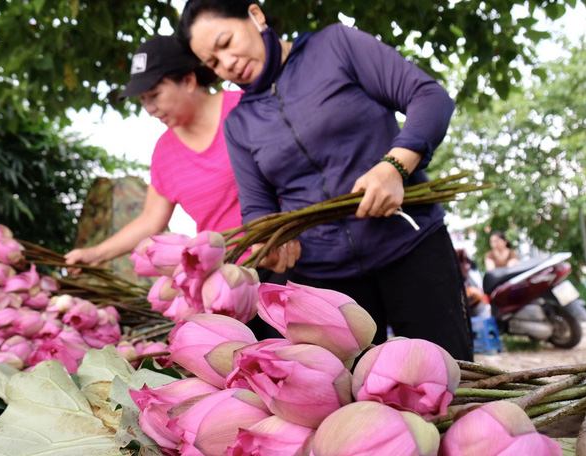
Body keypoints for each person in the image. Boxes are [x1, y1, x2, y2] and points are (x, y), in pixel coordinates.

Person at [179, 0, 474, 360]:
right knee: (352, 406)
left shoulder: (335, 45)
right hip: (326, 285)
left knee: (450, 378)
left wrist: (394, 167)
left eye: (225, 43)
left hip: (411, 247)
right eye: (213, 62)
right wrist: (271, 241)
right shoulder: (238, 125)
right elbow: (257, 206)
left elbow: (429, 97)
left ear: (255, 16)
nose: (226, 64)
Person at [64, 35, 243, 269]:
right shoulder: (165, 152)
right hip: (227, 276)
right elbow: (150, 221)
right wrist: (95, 254)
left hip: (289, 253)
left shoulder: (244, 110)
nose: (150, 109)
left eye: (155, 95)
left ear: (188, 81)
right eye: (143, 100)